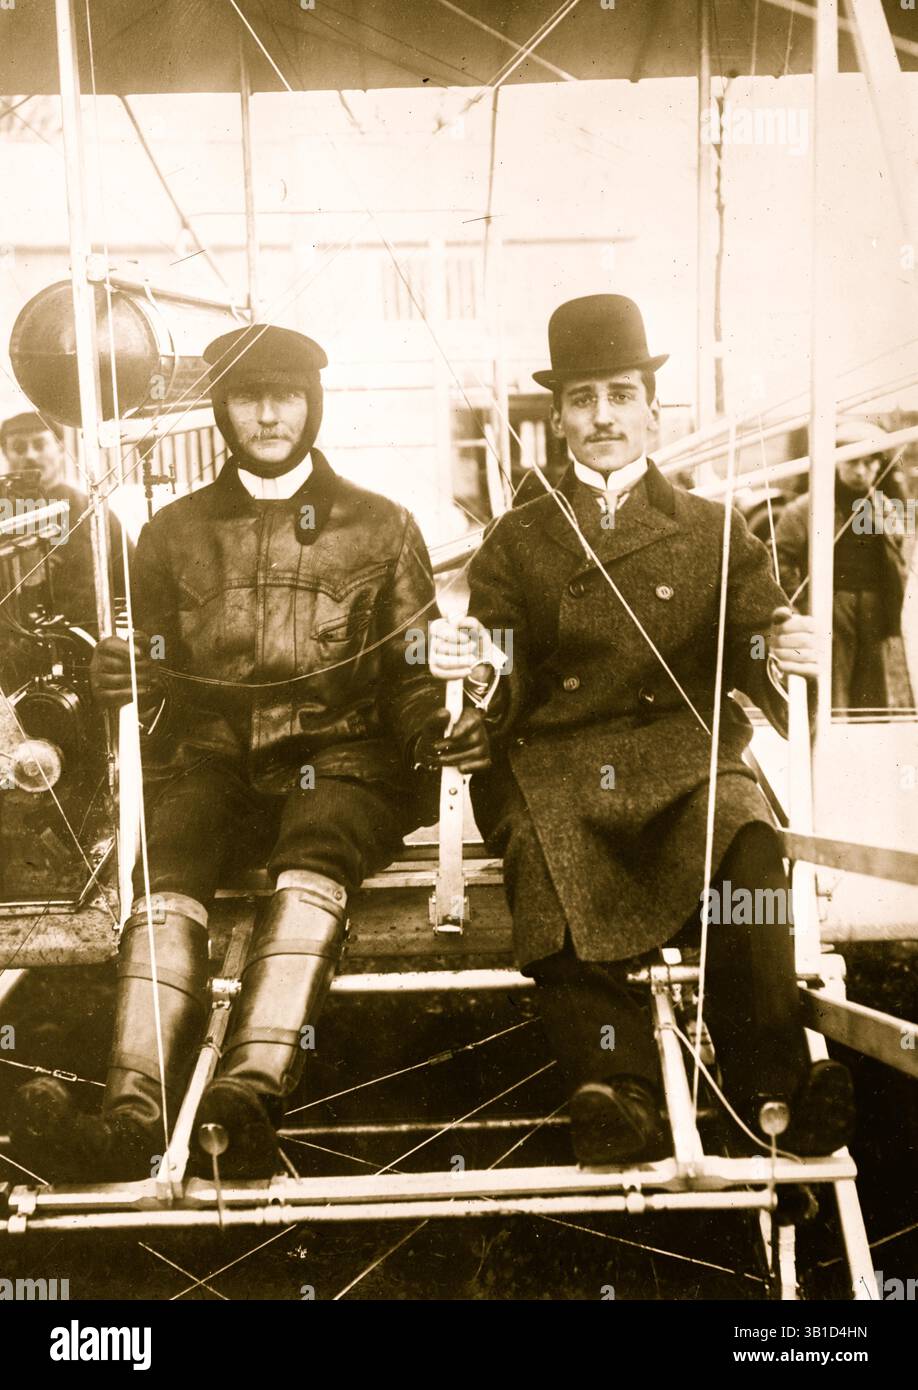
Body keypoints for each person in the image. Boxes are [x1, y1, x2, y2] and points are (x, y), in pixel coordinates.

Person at [425, 294, 855, 1166]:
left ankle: (774, 1080)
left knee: (746, 837)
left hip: (684, 755)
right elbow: (501, 659)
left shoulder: (712, 528)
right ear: (558, 421)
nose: (603, 417)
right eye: (582, 399)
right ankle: (615, 1091)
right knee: (544, 856)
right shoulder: (517, 539)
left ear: (652, 412)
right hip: (552, 755)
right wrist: (476, 666)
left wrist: (785, 648)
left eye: (620, 395)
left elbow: (756, 638)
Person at [11, 325, 443, 1181]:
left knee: (314, 845)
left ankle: (248, 1098)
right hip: (214, 760)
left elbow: (417, 673)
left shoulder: (382, 525)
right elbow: (157, 673)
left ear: (313, 404)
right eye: (251, 397)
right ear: (223, 411)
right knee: (166, 862)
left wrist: (437, 732)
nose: (271, 414)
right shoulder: (172, 533)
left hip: (344, 758)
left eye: (287, 395)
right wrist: (126, 676)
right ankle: (129, 1116)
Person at [774, 418, 908, 713]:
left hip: (873, 607)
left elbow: (897, 555)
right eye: (852, 463)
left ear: (878, 466)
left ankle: (869, 750)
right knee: (829, 690)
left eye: (869, 463)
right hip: (832, 605)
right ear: (837, 464)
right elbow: (779, 556)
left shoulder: (885, 508)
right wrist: (803, 602)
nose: (861, 471)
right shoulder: (807, 507)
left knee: (873, 695)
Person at [0, 410, 128, 631]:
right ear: (5, 453)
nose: (30, 455)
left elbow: (130, 579)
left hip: (85, 644)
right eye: (19, 448)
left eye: (39, 445)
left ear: (60, 448)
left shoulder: (91, 509)